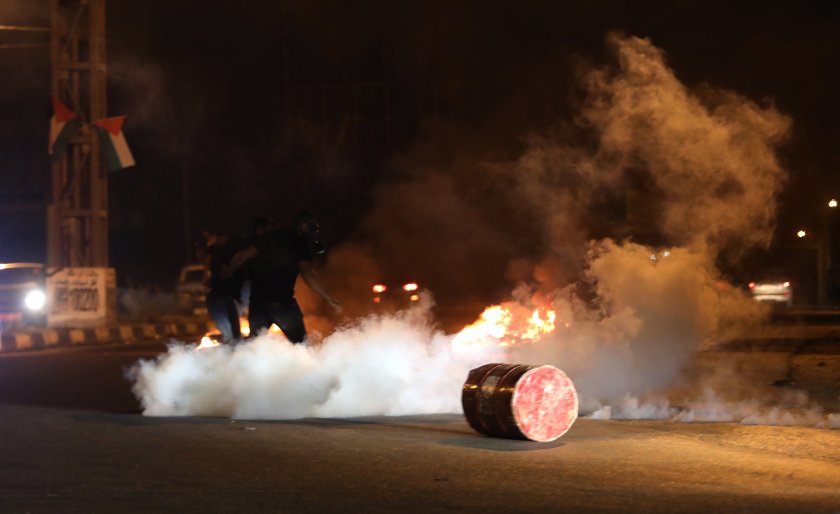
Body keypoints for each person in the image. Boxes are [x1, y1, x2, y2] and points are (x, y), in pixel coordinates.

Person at [223, 212, 341, 343]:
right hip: (282, 305)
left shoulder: (270, 236)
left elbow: (244, 254)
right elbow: (307, 274)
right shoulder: (300, 243)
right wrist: (328, 298)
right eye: (311, 227)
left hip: (258, 304)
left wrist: (230, 269)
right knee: (302, 346)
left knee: (254, 346)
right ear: (303, 225)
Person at [203, 228, 245, 343]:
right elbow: (206, 264)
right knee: (225, 314)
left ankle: (234, 338)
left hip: (224, 288)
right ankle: (232, 338)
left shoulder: (227, 249)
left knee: (229, 312)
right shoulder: (216, 250)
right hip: (220, 288)